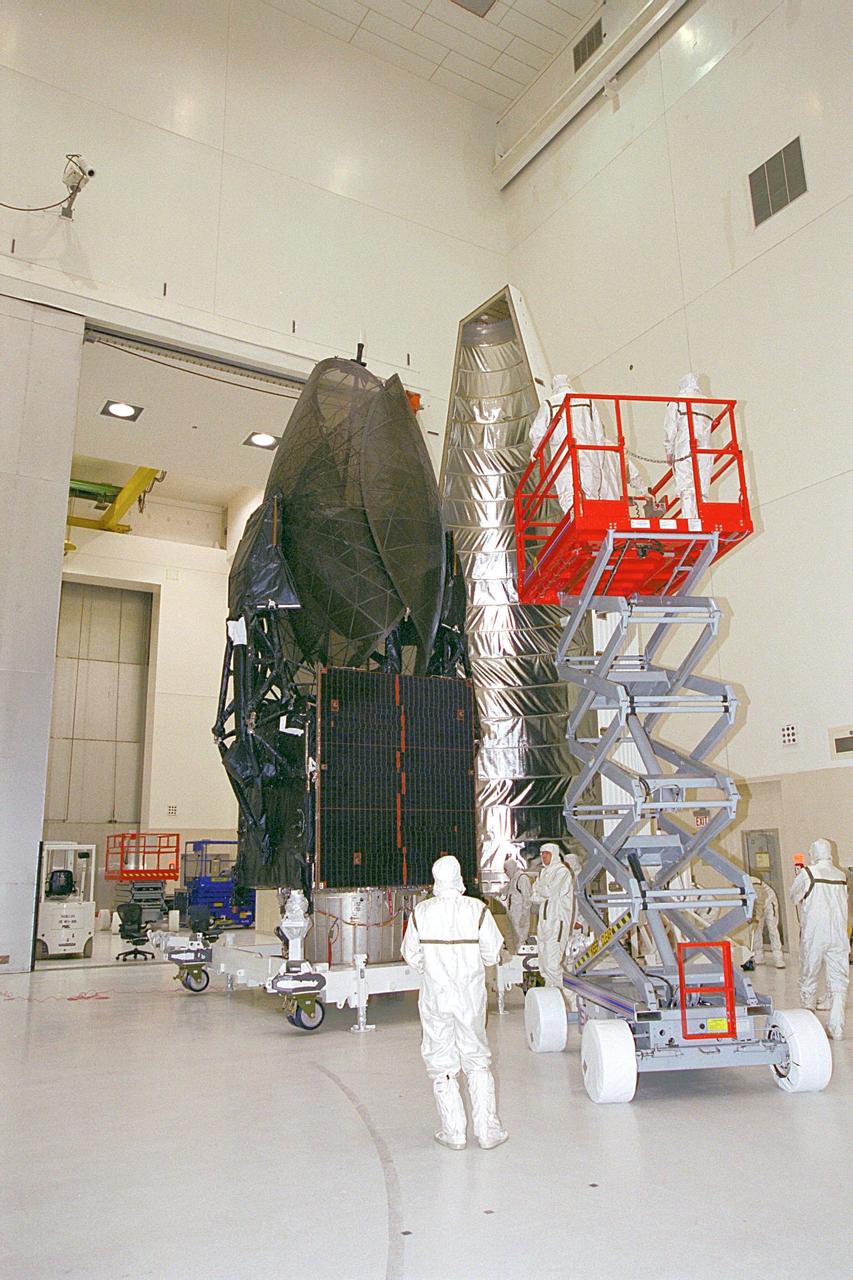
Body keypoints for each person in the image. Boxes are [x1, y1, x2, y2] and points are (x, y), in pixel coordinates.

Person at [401, 855, 508, 1150]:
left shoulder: (421, 912)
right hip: (469, 998)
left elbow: (410, 954)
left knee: (441, 1060)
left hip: (436, 997)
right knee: (476, 1059)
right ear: (459, 876)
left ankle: (454, 1132)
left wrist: (432, 970)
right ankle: (487, 1131)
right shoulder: (477, 911)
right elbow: (492, 953)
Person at [530, 374, 642, 513]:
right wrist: (599, 452)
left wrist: (535, 450)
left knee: (567, 486)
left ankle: (573, 512)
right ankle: (590, 511)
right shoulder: (587, 401)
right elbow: (598, 430)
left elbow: (538, 430)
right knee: (590, 485)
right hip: (589, 452)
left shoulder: (549, 403)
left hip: (564, 452)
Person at [789, 838, 849, 1040]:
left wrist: (799, 875)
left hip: (816, 933)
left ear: (814, 852)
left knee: (809, 975)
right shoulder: (841, 875)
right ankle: (837, 1028)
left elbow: (794, 896)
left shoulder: (808, 873)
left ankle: (809, 1023)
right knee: (839, 980)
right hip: (839, 934)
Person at [663, 373, 714, 520]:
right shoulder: (707, 402)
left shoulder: (677, 401)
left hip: (685, 444)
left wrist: (669, 451)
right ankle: (702, 519)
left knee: (686, 484)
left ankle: (690, 520)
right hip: (706, 446)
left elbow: (670, 428)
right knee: (702, 485)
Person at [531, 842, 575, 992]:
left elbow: (549, 891)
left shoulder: (562, 871)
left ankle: (570, 996)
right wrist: (541, 892)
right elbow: (534, 895)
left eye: (546, 853)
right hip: (544, 923)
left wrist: (541, 891)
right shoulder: (543, 872)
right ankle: (552, 996)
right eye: (542, 853)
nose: (543, 856)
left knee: (552, 964)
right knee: (543, 964)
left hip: (557, 922)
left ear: (554, 854)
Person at [746, 876, 786, 969]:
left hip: (769, 902)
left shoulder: (754, 882)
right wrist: (751, 918)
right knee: (756, 930)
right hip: (758, 906)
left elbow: (760, 901)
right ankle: (758, 956)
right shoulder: (741, 888)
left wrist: (756, 919)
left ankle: (778, 958)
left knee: (772, 929)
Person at [502, 854, 533, 952]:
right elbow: (508, 890)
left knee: (520, 937)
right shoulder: (514, 878)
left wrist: (524, 915)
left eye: (506, 870)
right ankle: (515, 954)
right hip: (513, 914)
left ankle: (520, 954)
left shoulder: (522, 878)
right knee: (513, 937)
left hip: (520, 914)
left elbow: (527, 898)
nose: (505, 873)